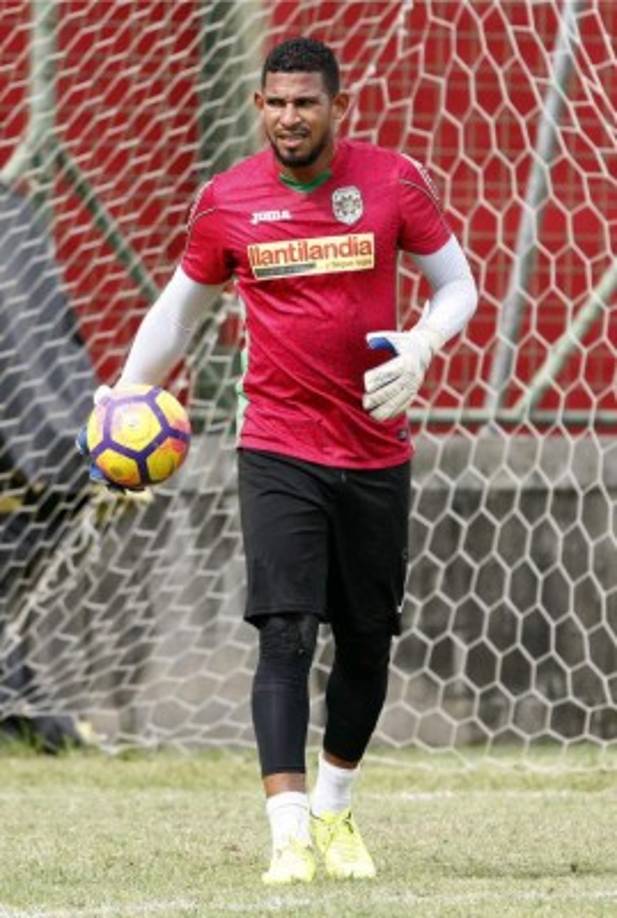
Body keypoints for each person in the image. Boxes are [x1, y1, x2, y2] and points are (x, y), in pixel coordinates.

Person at [81, 37, 478, 884]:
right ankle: (288, 833)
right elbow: (179, 313)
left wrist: (420, 342)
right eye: (276, 102)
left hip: (374, 448)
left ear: (338, 106)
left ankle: (334, 810)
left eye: (306, 101)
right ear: (259, 106)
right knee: (286, 634)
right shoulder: (227, 201)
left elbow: (458, 285)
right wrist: (120, 391)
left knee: (366, 642)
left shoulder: (392, 181)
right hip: (276, 445)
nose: (290, 116)